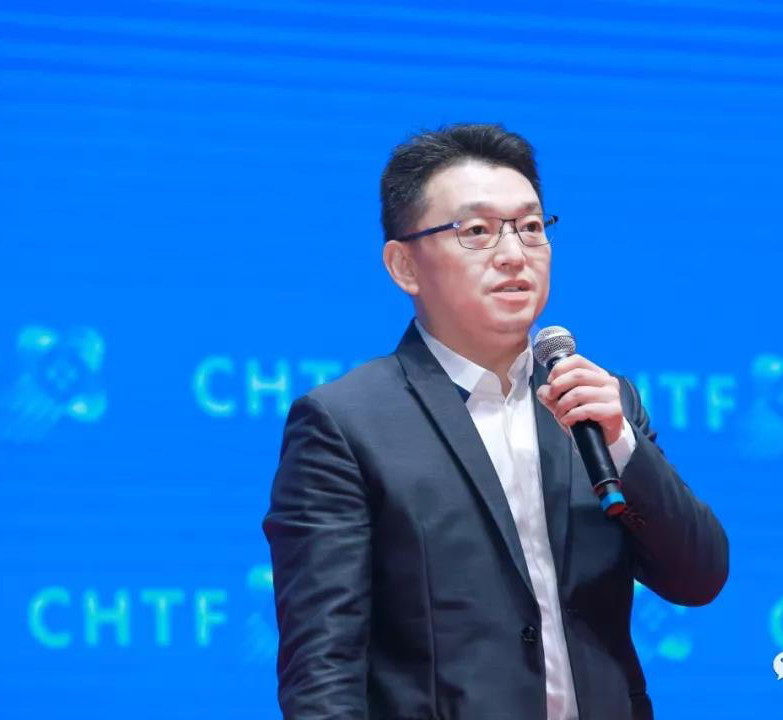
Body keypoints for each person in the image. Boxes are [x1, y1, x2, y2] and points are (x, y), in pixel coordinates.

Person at [262, 123, 729, 720]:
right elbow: (322, 671)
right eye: (477, 231)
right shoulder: (345, 425)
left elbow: (698, 577)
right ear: (404, 266)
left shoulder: (598, 404)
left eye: (531, 228)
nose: (514, 254)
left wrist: (621, 446)